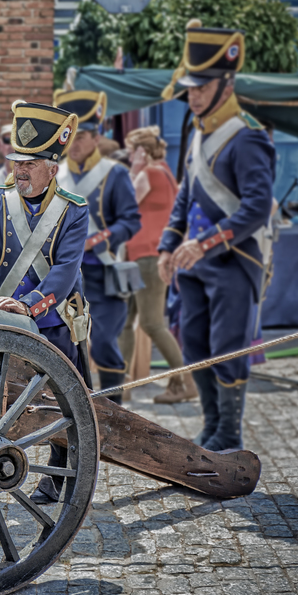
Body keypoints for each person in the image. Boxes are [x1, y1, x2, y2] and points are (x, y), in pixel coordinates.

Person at [0, 100, 89, 505]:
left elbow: (66, 270)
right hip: (0, 317)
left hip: (51, 320)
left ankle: (59, 474)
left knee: (62, 402)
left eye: (30, 163)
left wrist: (31, 304)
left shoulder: (74, 212)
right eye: (16, 162)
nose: (19, 170)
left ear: (52, 168)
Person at [158, 20, 275, 452]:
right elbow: (186, 195)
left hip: (234, 262)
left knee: (227, 347)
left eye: (201, 87)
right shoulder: (198, 133)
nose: (192, 95)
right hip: (194, 265)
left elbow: (256, 208)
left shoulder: (247, 138)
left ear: (227, 84)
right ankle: (210, 426)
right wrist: (167, 245)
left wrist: (204, 243)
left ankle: (229, 431)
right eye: (189, 87)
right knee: (195, 345)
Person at [53, 89, 142, 396]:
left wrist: (99, 238)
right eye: (69, 137)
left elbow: (131, 220)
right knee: (65, 347)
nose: (73, 145)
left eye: (79, 137)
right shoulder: (56, 176)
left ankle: (115, 413)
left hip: (103, 272)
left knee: (103, 343)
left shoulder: (114, 174)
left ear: (95, 138)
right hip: (65, 275)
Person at [116, 126, 196, 404]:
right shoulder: (165, 172)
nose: (127, 155)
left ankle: (184, 381)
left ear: (142, 151)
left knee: (150, 323)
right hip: (143, 257)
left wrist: (133, 169)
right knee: (125, 322)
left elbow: (122, 204)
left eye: (131, 150)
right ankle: (119, 385)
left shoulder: (148, 174)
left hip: (147, 257)